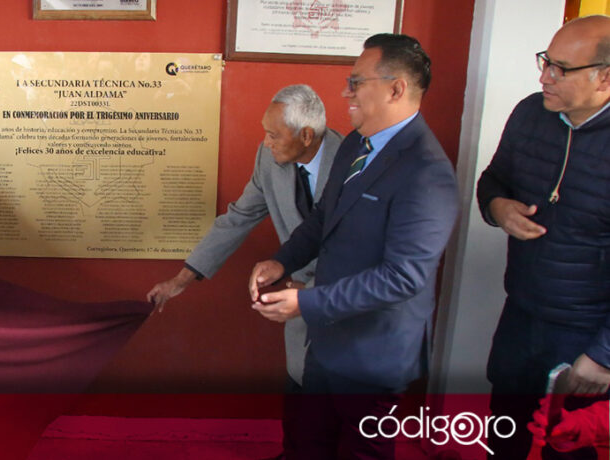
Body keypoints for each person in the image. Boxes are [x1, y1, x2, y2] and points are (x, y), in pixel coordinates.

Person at [247, 33, 459, 459]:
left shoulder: (427, 172)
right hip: (326, 343)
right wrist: (280, 260)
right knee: (307, 446)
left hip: (374, 355)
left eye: (356, 82)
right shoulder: (355, 145)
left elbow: (403, 277)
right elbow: (324, 218)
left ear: (396, 88)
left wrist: (306, 304)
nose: (345, 92)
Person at [146, 84, 342, 458]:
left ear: (305, 135)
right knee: (299, 384)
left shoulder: (352, 163)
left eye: (273, 134)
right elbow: (240, 216)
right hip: (295, 295)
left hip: (342, 298)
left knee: (336, 401)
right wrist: (182, 279)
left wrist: (311, 291)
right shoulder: (268, 159)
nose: (266, 142)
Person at [476, 14, 610, 460]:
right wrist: (497, 208)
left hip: (587, 332)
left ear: (604, 77)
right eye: (545, 61)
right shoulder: (530, 113)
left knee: (568, 447)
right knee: (504, 436)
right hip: (522, 312)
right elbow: (493, 180)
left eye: (560, 69)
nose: (544, 76)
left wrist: (604, 355)